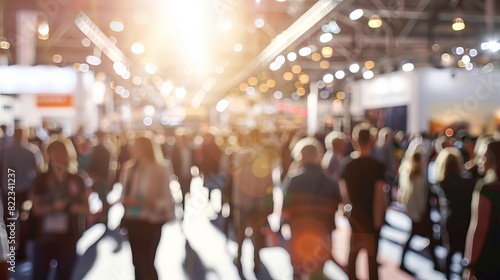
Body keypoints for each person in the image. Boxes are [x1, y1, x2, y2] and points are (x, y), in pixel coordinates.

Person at [31, 136, 89, 280]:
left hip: (68, 237)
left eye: (62, 153)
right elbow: (36, 209)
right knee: (39, 275)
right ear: (48, 156)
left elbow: (86, 208)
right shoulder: (42, 179)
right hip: (44, 237)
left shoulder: (77, 178)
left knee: (64, 275)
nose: (58, 157)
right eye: (54, 153)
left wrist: (68, 206)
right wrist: (52, 207)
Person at [120, 133, 175, 280]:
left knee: (148, 262)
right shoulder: (129, 168)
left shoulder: (161, 168)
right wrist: (127, 201)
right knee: (137, 262)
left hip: (153, 221)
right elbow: (124, 195)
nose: (132, 150)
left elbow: (167, 200)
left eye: (135, 147)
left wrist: (147, 203)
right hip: (134, 219)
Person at [283, 143, 341, 279]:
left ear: (301, 157)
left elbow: (286, 208)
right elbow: (337, 205)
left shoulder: (294, 179)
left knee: (299, 267)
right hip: (322, 231)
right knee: (318, 268)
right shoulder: (329, 181)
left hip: (299, 230)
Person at [339, 123, 387, 280]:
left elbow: (344, 191)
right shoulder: (377, 166)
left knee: (353, 254)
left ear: (355, 141)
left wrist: (347, 209)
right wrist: (378, 220)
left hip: (355, 215)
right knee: (372, 258)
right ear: (372, 141)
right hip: (371, 216)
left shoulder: (348, 165)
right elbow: (379, 196)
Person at [231, 129, 280, 276]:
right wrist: (269, 201)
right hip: (259, 203)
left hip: (243, 201)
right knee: (257, 234)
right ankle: (256, 261)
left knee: (240, 231)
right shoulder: (264, 156)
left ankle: (239, 258)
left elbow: (234, 177)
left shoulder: (240, 154)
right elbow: (269, 183)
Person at [433, 147, 475, 278]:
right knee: (465, 252)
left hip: (448, 219)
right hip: (464, 219)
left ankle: (447, 277)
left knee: (449, 251)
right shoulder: (467, 182)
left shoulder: (441, 182)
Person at [398, 146, 438, 274]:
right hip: (419, 210)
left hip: (414, 209)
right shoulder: (418, 175)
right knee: (419, 234)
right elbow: (420, 194)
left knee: (419, 234)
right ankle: (435, 263)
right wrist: (422, 209)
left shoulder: (409, 171)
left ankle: (435, 263)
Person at [463, 141, 500, 279]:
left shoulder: (486, 188)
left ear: (493, 160)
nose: (479, 161)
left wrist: (470, 264)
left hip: (488, 256)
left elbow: (479, 230)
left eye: (483, 157)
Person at [87, 130, 117, 224]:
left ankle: (105, 216)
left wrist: (95, 174)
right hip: (104, 176)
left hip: (100, 176)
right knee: (103, 196)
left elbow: (97, 163)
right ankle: (105, 215)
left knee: (103, 196)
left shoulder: (101, 149)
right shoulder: (108, 147)